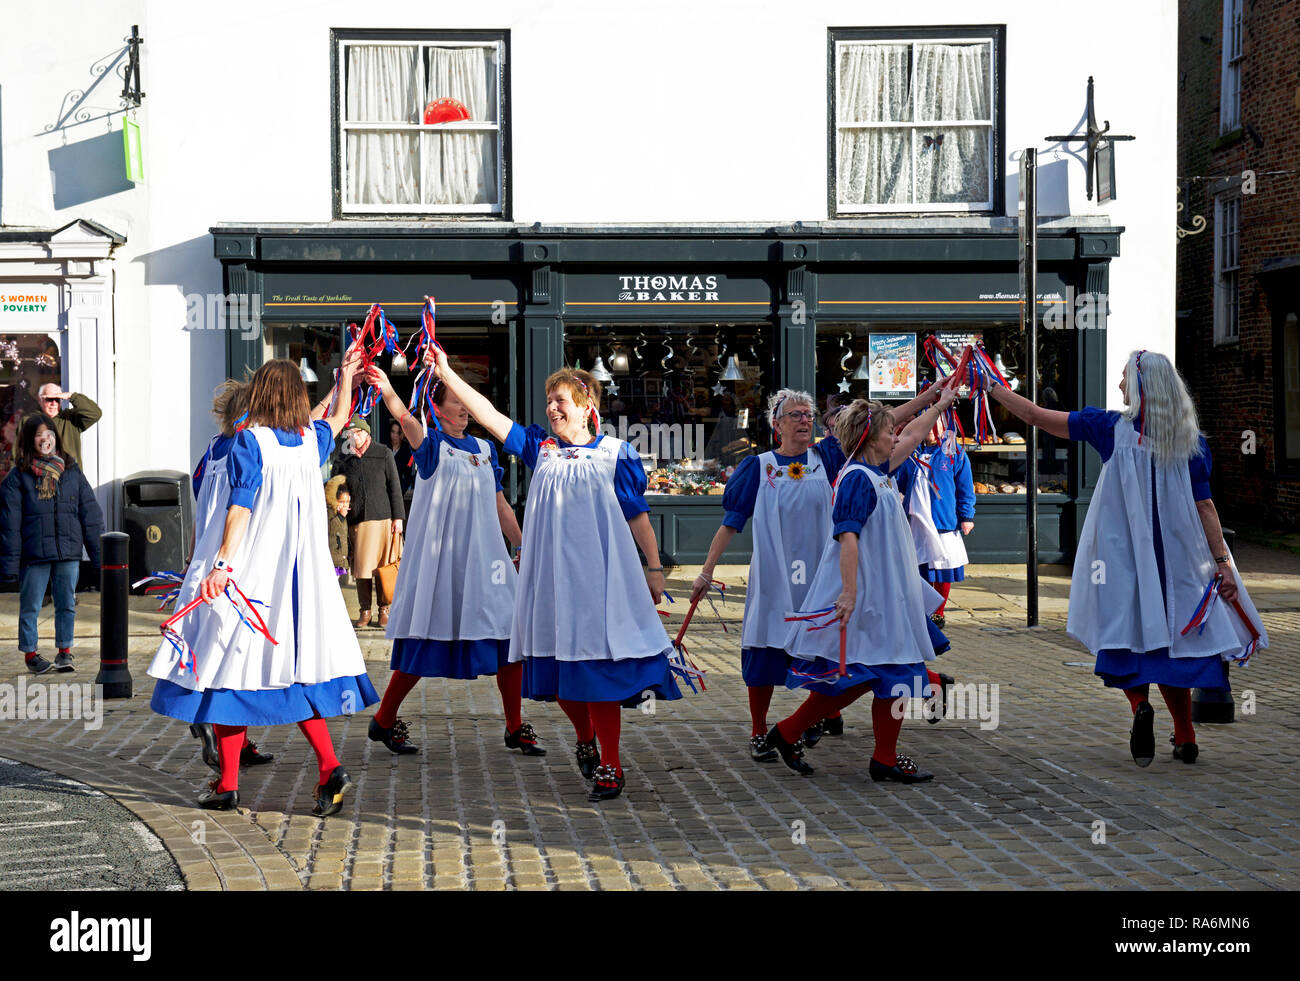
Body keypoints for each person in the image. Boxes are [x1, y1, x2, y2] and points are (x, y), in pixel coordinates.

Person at [988, 350, 1268, 766]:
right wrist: (1223, 564)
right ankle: (1186, 737)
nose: (1119, 385)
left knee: (1125, 639)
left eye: (1123, 379)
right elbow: (1206, 508)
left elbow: (1035, 416)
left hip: (1124, 562)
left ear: (1139, 388)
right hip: (1179, 567)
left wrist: (992, 388)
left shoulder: (1109, 428)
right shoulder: (1191, 443)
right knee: (1176, 647)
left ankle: (1140, 707)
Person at [432, 348, 681, 801]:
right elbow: (488, 415)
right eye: (550, 400)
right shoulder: (539, 448)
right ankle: (585, 738)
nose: (552, 408)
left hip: (601, 584)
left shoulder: (615, 454)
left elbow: (637, 515)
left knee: (598, 674)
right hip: (550, 584)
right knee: (561, 672)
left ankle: (610, 763)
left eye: (561, 400)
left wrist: (654, 568)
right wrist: (447, 372)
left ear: (588, 407)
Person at [148, 350, 379, 814]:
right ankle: (328, 766)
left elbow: (239, 508)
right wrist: (347, 377)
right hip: (297, 590)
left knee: (227, 678)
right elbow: (336, 418)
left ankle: (230, 784)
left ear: (262, 396)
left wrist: (220, 567)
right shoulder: (308, 440)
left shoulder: (249, 442)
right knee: (293, 680)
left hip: (249, 584)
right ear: (296, 397)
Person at [766, 384, 957, 783]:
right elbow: (847, 537)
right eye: (890, 432)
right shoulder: (857, 479)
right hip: (871, 596)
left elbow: (916, 431)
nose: (896, 437)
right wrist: (849, 593)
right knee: (886, 674)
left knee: (869, 676)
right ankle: (877, 756)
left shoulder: (880, 472)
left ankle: (792, 732)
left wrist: (940, 403)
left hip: (888, 593)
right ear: (871, 437)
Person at [362, 362, 542, 759]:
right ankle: (385, 718)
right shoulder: (430, 446)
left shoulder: (485, 448)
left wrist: (523, 543)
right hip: (444, 563)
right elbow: (404, 417)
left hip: (488, 562)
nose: (464, 410)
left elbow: (499, 503)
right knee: (425, 641)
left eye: (466, 404)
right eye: (456, 403)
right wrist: (387, 386)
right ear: (437, 408)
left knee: (508, 637)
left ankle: (514, 725)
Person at [690, 389, 846, 761]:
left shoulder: (828, 457)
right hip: (775, 576)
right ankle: (759, 730)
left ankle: (810, 719)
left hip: (820, 574)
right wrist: (706, 572)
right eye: (795, 415)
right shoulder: (758, 467)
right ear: (777, 425)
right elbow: (732, 523)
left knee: (821, 647)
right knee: (765, 648)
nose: (805, 420)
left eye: (808, 414)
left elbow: (875, 427)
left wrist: (934, 401)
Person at [1, 417, 104, 674]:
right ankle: (31, 653)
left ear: (56, 437)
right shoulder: (19, 477)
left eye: (49, 433)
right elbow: (9, 525)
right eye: (38, 434)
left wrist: (100, 558)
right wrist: (9, 566)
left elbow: (89, 513)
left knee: (66, 602)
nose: (45, 438)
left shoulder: (71, 470)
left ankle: (64, 652)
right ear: (28, 439)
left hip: (67, 549)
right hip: (34, 553)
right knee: (31, 605)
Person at [900, 432, 975, 629]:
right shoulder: (909, 450)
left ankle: (938, 613)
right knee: (920, 567)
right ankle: (922, 611)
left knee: (943, 568)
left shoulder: (954, 452)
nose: (931, 431)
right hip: (915, 519)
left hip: (943, 520)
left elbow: (965, 486)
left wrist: (966, 516)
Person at [335, 417, 405, 628]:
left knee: (383, 567)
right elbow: (337, 483)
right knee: (362, 569)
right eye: (350, 433)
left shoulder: (383, 453)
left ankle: (384, 610)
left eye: (356, 432)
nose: (352, 437)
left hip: (383, 518)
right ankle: (365, 610)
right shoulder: (345, 457)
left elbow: (394, 486)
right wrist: (340, 504)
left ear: (366, 433)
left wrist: (398, 518)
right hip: (358, 520)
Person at [23, 385, 102, 471]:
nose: (53, 404)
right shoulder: (31, 421)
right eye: (49, 399)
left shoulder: (70, 419)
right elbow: (21, 453)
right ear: (41, 400)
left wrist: (71, 396)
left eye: (57, 399)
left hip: (69, 478)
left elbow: (95, 413)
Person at [388, 420, 416, 494]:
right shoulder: (386, 447)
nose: (395, 435)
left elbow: (408, 475)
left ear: (402, 434)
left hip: (399, 490)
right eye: (393, 432)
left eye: (398, 433)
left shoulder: (406, 450)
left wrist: (402, 491)